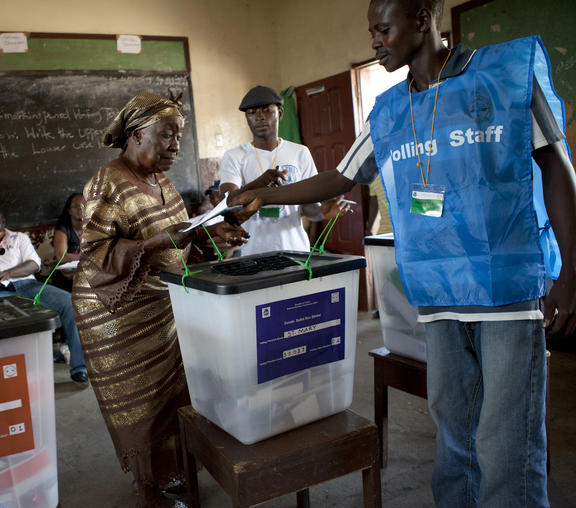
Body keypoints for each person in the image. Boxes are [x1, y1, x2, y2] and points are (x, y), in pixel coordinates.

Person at [229, 1, 576, 506]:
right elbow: (343, 175)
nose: (374, 40)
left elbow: (557, 168)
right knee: (453, 435)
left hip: (507, 292)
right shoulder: (390, 110)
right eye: (371, 30)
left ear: (424, 19)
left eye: (382, 28)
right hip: (438, 297)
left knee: (506, 444)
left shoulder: (504, 77)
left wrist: (569, 272)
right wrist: (263, 195)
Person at [72, 92, 248, 507]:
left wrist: (211, 233)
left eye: (178, 137)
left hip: (165, 301)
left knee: (177, 394)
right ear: (136, 135)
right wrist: (157, 242)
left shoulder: (163, 182)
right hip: (116, 311)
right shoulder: (107, 181)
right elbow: (95, 253)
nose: (174, 145)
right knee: (142, 403)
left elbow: (180, 234)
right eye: (165, 135)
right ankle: (149, 486)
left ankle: (174, 475)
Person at [219, 85, 346, 256]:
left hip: (296, 251)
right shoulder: (234, 156)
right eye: (252, 113)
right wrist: (260, 186)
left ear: (280, 113)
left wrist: (322, 212)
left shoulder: (300, 153)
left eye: (266, 111)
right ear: (247, 118)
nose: (259, 117)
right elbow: (228, 202)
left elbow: (309, 209)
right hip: (253, 253)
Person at [0, 203, 88, 385]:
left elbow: (34, 264)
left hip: (29, 286)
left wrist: (9, 273)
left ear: (3, 222)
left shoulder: (18, 238)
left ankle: (79, 367)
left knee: (69, 302)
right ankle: (7, 377)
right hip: (0, 293)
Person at [51, 192, 83, 291]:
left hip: (87, 269)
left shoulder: (96, 227)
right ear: (69, 211)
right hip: (66, 274)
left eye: (83, 205)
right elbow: (62, 256)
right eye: (75, 206)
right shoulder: (63, 229)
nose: (80, 208)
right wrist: (89, 257)